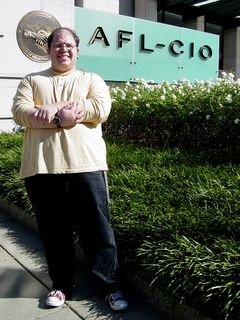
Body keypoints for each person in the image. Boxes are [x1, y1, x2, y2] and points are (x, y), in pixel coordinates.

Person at [11, 27, 128, 312]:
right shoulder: (31, 80)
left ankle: (110, 287)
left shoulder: (91, 79)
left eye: (69, 45)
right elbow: (20, 111)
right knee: (54, 232)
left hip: (86, 165)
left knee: (97, 231)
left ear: (77, 50)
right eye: (57, 45)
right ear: (48, 50)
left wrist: (49, 110)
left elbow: (99, 108)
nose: (64, 49)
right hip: (43, 168)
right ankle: (61, 285)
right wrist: (62, 117)